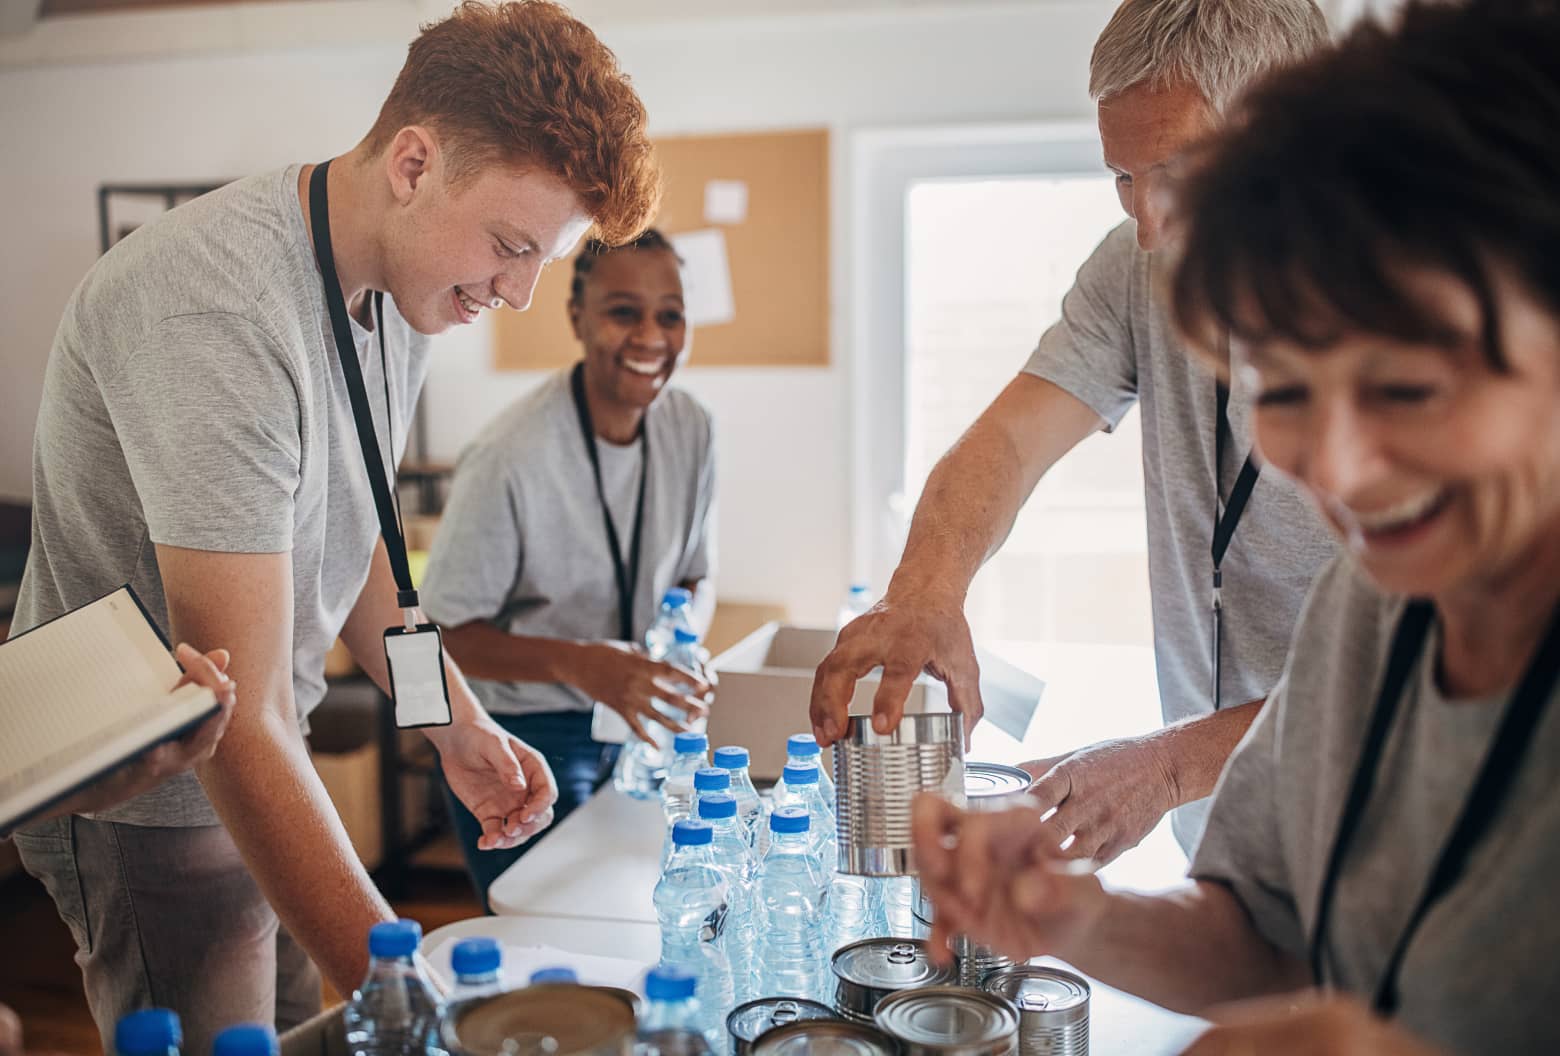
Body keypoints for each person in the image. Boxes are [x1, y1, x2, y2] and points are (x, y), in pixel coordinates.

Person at [7, 1, 659, 1050]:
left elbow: (353, 543)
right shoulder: (217, 308)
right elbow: (241, 718)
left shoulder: (399, 289)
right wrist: (411, 1002)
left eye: (540, 258)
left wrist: (452, 721)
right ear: (413, 163)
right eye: (508, 245)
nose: (520, 291)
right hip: (157, 793)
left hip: (262, 754)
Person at [912, 1, 1560, 1052]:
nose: (1342, 473)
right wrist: (1078, 920)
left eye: (1405, 388)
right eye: (1286, 390)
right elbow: (1270, 941)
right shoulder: (1368, 612)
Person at [811, 0, 1337, 864]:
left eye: (1175, 171)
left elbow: (1444, 669)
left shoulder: (1423, 312)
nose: (1150, 226)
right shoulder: (1137, 271)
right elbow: (1008, 442)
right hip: (1237, 833)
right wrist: (923, 595)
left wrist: (1167, 769)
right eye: (1123, 177)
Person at [420, 229, 717, 910]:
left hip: (636, 720)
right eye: (623, 312)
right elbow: (440, 638)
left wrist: (686, 642)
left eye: (670, 315)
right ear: (577, 317)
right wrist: (582, 664)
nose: (651, 336)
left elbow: (696, 579)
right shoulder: (509, 453)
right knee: (556, 921)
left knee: (653, 914)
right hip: (526, 730)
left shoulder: (693, 429)